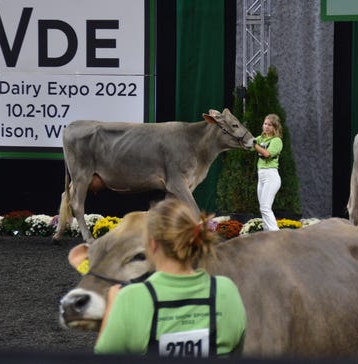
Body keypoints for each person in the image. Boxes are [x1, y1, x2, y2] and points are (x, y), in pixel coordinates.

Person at [94, 198, 247, 357]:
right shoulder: (226, 292)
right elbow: (237, 350)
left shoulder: (129, 298)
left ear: (153, 244)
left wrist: (112, 307)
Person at [253, 114, 283, 231]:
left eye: (269, 125)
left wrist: (253, 144)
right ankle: (267, 235)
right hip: (261, 176)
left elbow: (267, 154)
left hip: (271, 176)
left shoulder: (277, 141)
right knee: (263, 208)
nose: (266, 127)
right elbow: (249, 143)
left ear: (275, 127)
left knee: (265, 207)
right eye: (265, 124)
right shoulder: (261, 139)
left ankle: (276, 236)